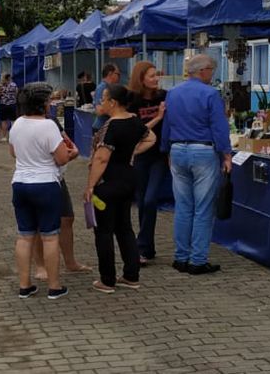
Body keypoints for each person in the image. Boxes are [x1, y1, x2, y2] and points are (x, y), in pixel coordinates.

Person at [161, 54, 231, 275]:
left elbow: (167, 123)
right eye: (212, 69)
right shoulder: (211, 94)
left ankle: (180, 257)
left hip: (178, 149)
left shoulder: (172, 93)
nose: (213, 74)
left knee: (183, 206)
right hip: (203, 151)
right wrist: (226, 154)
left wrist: (166, 149)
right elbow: (219, 127)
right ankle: (197, 260)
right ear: (203, 71)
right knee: (203, 208)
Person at [8, 82, 79, 299]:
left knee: (25, 236)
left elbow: (13, 153)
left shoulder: (17, 124)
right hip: (45, 184)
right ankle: (54, 286)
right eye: (49, 100)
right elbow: (61, 158)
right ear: (43, 104)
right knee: (50, 237)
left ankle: (24, 284)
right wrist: (73, 153)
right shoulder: (48, 126)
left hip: (20, 183)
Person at [84, 84, 156, 293]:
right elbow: (151, 137)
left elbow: (102, 157)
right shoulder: (134, 121)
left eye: (104, 99)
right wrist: (132, 151)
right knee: (125, 227)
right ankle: (131, 275)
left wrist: (90, 185)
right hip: (128, 178)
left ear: (113, 102)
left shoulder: (110, 126)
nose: (101, 103)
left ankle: (107, 279)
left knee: (104, 232)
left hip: (109, 183)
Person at [32, 112, 92, 280]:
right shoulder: (25, 123)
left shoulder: (52, 122)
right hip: (38, 180)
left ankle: (70, 262)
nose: (49, 104)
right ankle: (41, 266)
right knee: (38, 224)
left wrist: (72, 151)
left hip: (57, 178)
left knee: (67, 218)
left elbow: (68, 144)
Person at [127, 60, 168, 265]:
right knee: (142, 201)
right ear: (141, 78)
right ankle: (146, 248)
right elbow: (137, 130)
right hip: (141, 155)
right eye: (151, 76)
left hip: (159, 156)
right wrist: (158, 117)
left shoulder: (163, 96)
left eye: (156, 75)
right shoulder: (132, 100)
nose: (156, 79)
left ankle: (141, 246)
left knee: (151, 199)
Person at [92, 64, 121, 132]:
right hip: (101, 128)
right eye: (118, 74)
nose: (119, 77)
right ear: (110, 74)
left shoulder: (109, 87)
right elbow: (99, 110)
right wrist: (117, 111)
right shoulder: (102, 88)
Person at [0, 73, 19, 142]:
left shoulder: (0, 85)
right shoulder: (14, 85)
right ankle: (12, 137)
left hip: (3, 105)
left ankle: (4, 137)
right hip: (12, 104)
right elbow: (16, 94)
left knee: (4, 121)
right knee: (13, 121)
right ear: (9, 78)